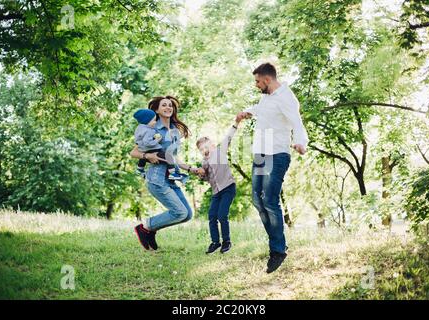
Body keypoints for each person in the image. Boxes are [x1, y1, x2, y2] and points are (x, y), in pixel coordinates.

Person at [235, 63, 308, 273]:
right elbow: (261, 110)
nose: (256, 85)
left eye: (258, 81)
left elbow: (297, 122)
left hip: (277, 154)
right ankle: (277, 242)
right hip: (261, 153)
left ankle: (277, 250)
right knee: (257, 200)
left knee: (269, 199)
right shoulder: (267, 96)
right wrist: (247, 112)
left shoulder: (286, 98)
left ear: (267, 80)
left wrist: (301, 143)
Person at [130, 96, 200, 251]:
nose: (168, 107)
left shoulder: (175, 131)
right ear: (156, 110)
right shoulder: (151, 128)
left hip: (171, 178)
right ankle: (145, 227)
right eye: (164, 105)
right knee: (180, 212)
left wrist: (190, 169)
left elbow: (173, 157)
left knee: (187, 214)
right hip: (157, 179)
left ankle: (150, 230)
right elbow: (134, 152)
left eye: (170, 105)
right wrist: (148, 156)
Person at [193, 119, 241, 254]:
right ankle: (215, 242)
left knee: (222, 215)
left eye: (206, 147)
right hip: (216, 192)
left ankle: (227, 241)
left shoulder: (220, 152)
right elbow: (208, 178)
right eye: (201, 149)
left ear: (212, 145)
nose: (204, 150)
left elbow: (229, 136)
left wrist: (236, 122)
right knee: (212, 216)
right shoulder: (204, 162)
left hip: (228, 187)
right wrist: (201, 175)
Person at [133, 108, 188, 183]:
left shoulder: (139, 128)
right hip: (152, 149)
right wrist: (157, 140)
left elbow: (141, 141)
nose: (155, 122)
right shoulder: (149, 130)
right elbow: (147, 142)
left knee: (143, 157)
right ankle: (173, 174)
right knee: (168, 156)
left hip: (144, 149)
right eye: (154, 120)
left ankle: (140, 168)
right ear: (147, 121)